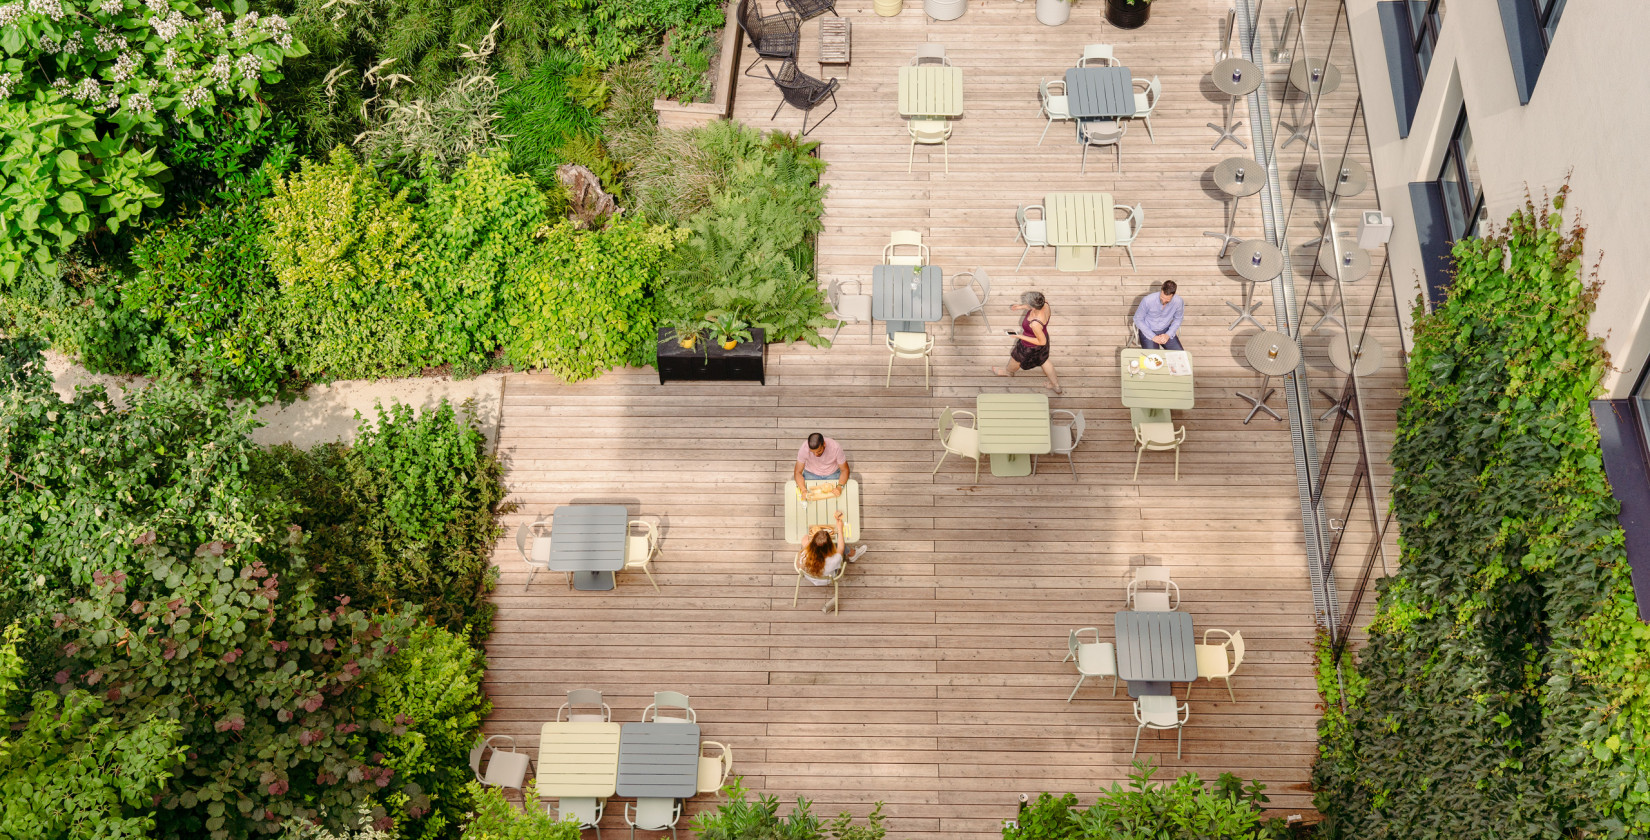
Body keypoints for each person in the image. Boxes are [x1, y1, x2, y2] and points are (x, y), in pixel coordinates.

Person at [992, 291, 1062, 394]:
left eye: (1027, 303)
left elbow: (1041, 342)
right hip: (1043, 336)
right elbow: (1036, 305)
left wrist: (1019, 336)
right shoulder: (1045, 303)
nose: (1026, 305)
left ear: (1033, 307)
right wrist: (1021, 307)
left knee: (1015, 358)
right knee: (1044, 361)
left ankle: (1008, 372)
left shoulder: (1035, 324)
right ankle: (1056, 386)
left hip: (1030, 346)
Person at [798, 511, 868, 611]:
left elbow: (804, 538)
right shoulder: (834, 560)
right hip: (827, 578)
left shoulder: (805, 554)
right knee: (840, 546)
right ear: (829, 546)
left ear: (812, 544)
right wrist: (840, 529)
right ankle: (853, 554)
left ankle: (852, 554)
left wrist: (812, 542)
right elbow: (841, 548)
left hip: (810, 577)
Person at [795, 432, 851, 497]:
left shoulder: (835, 447)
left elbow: (845, 470)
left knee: (837, 497)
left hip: (832, 474)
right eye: (812, 452)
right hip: (811, 473)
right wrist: (803, 490)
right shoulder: (804, 448)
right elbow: (797, 472)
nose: (815, 454)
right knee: (808, 500)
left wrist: (839, 487)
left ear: (824, 444)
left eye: (819, 451)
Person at [1133, 280, 1184, 351]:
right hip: (1148, 330)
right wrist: (1153, 336)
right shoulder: (1147, 300)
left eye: (1167, 300)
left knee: (1180, 356)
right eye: (1162, 298)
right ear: (1161, 290)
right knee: (1153, 359)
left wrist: (1168, 334)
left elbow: (1178, 319)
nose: (1163, 302)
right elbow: (1137, 319)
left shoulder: (1178, 301)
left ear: (1173, 295)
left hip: (1166, 329)